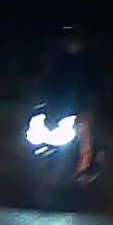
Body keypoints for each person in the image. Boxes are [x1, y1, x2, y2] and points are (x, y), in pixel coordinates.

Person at [41, 25, 105, 178]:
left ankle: (85, 165)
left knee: (84, 130)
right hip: (61, 106)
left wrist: (90, 101)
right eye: (69, 40)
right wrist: (44, 99)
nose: (71, 43)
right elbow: (49, 81)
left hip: (82, 105)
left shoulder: (90, 61)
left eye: (75, 40)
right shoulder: (60, 60)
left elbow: (97, 84)